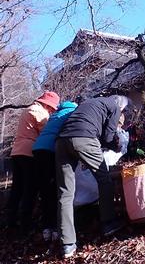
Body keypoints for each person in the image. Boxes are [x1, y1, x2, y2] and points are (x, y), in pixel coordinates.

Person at [55, 94, 129, 259]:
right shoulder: (115, 107)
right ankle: (108, 223)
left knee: (65, 192)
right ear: (121, 107)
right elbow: (109, 135)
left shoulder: (90, 103)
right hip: (84, 137)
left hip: (61, 141)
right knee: (105, 180)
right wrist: (116, 147)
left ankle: (67, 244)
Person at [6, 91, 60, 233]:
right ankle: (26, 224)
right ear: (47, 105)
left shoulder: (27, 110)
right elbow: (46, 131)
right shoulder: (38, 111)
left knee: (17, 189)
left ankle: (9, 221)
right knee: (30, 189)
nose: (52, 111)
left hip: (16, 152)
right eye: (52, 108)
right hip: (29, 153)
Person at [32, 100, 78, 242]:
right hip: (50, 150)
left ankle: (46, 228)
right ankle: (56, 228)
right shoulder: (72, 112)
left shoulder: (55, 113)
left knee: (45, 189)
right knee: (55, 188)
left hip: (37, 149)